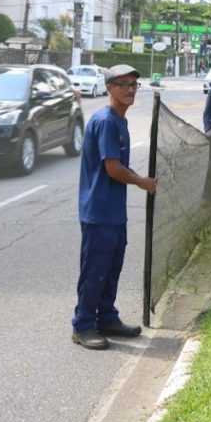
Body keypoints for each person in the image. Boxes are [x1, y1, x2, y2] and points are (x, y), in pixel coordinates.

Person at [72, 65, 157, 350]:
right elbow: (112, 169)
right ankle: (83, 326)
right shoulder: (107, 121)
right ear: (110, 89)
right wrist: (141, 182)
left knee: (111, 268)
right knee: (95, 270)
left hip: (114, 211)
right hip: (99, 211)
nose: (131, 90)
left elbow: (119, 166)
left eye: (135, 84)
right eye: (124, 85)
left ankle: (106, 317)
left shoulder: (120, 120)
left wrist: (137, 178)